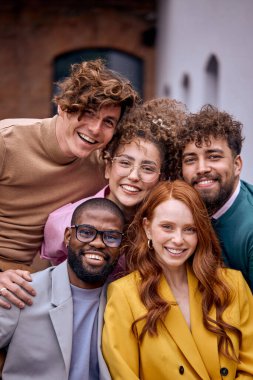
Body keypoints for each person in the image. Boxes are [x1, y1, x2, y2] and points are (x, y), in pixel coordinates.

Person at [102, 180, 253, 379]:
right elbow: (124, 373)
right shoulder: (124, 294)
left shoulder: (233, 285)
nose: (178, 239)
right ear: (147, 227)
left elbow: (249, 368)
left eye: (190, 229)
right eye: (167, 227)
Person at [0, 58, 138, 274]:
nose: (95, 128)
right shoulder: (6, 141)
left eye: (108, 122)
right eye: (88, 112)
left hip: (19, 280)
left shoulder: (102, 167)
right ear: (63, 107)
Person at [40, 98, 186, 266]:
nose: (133, 176)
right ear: (108, 167)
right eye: (125, 163)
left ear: (161, 177)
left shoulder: (166, 229)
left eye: (147, 168)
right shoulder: (64, 221)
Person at [0, 197, 125, 380]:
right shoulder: (22, 290)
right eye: (86, 232)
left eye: (111, 237)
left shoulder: (124, 301)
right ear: (68, 237)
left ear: (121, 247)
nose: (98, 243)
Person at [177, 104, 253, 291]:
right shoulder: (184, 209)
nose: (201, 168)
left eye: (214, 157)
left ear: (237, 165)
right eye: (191, 160)